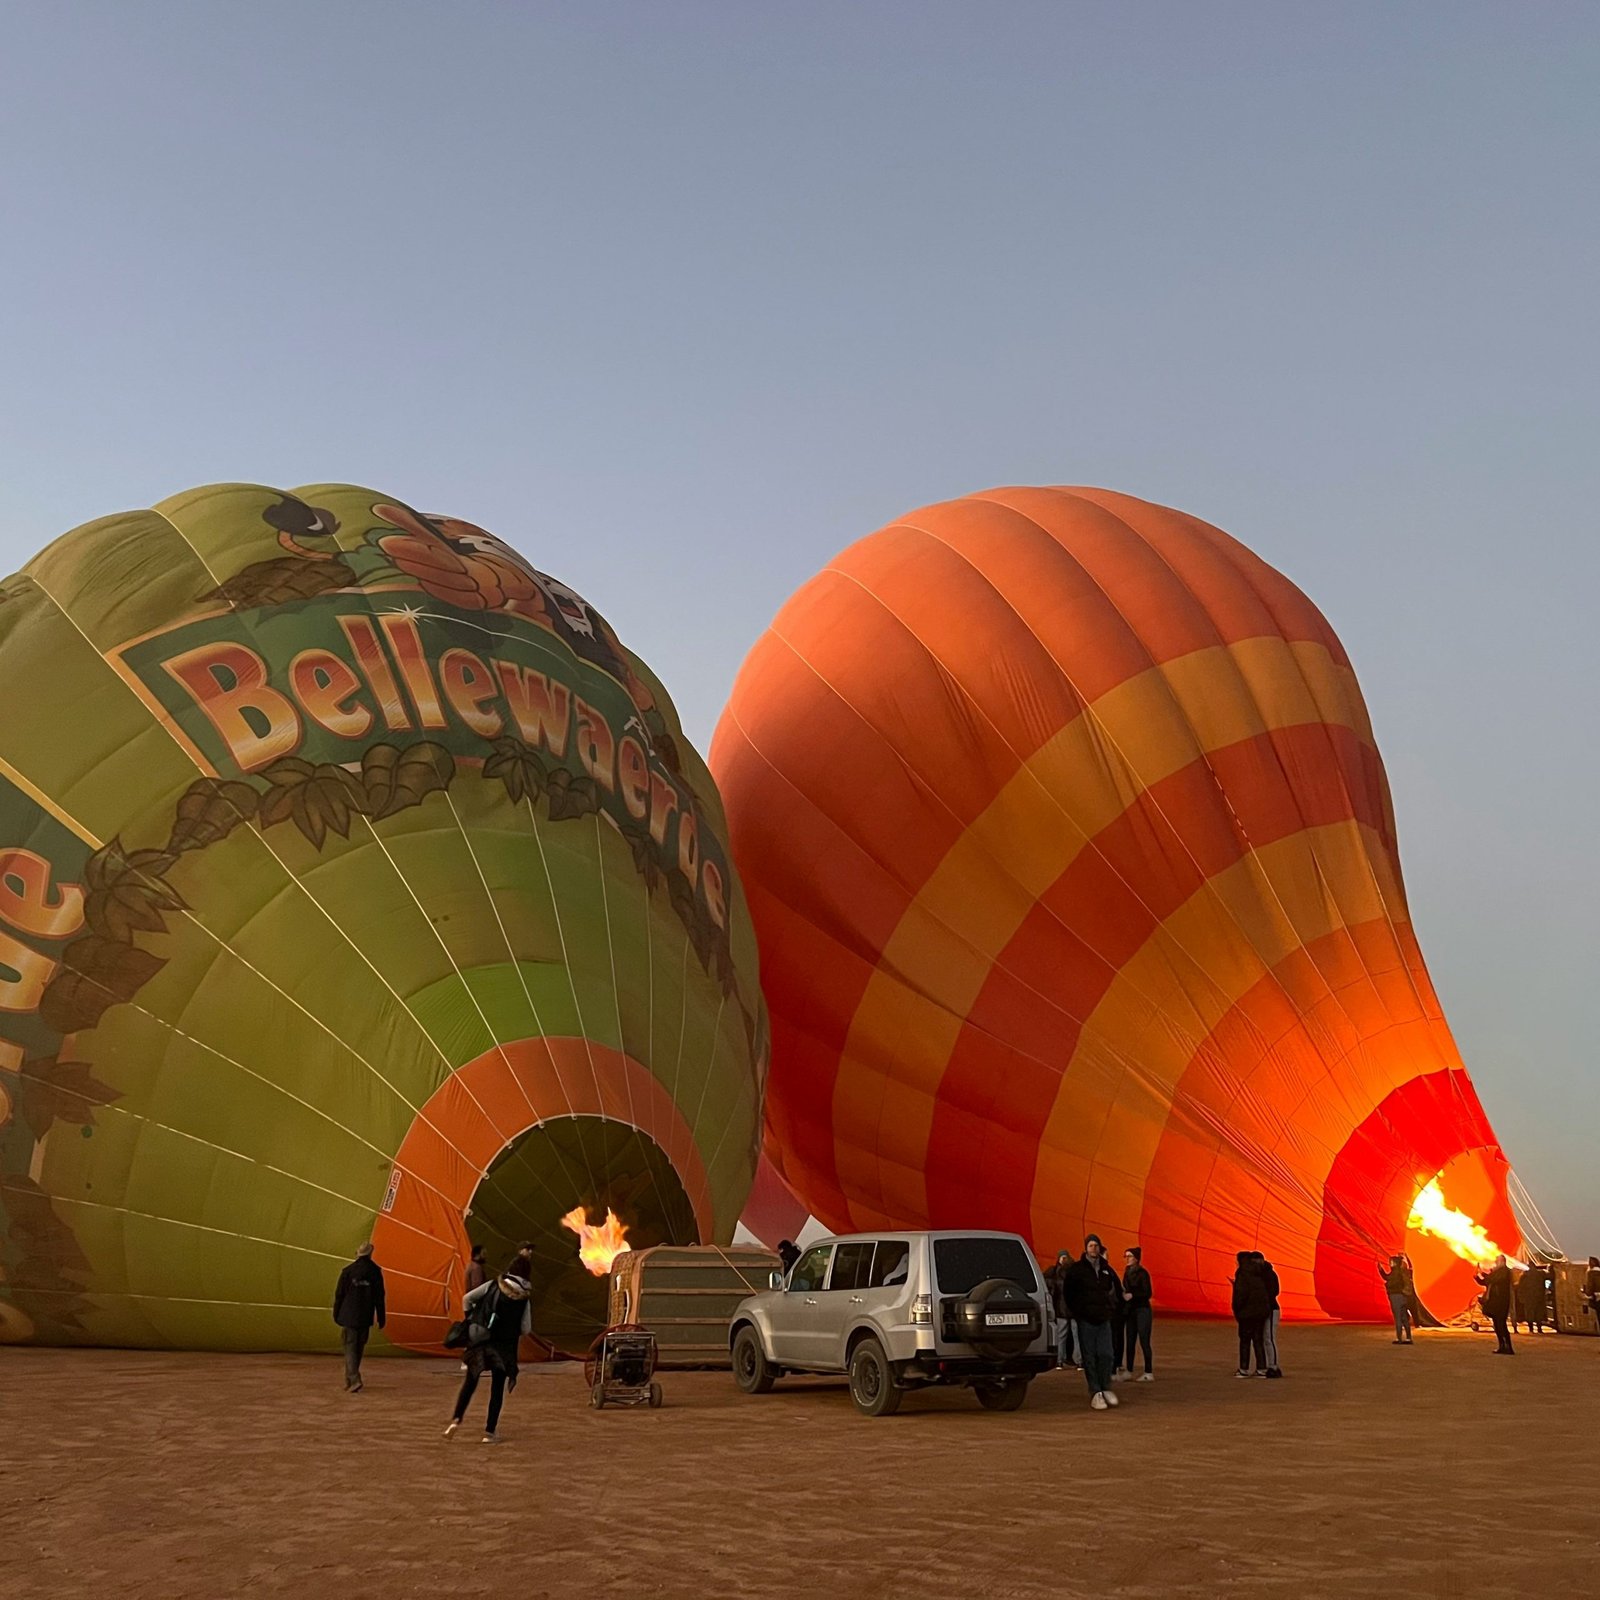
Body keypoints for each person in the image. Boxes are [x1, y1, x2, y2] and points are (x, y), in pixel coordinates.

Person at [445, 1271, 533, 1443]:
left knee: (470, 1383)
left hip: (481, 1343)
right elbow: (526, 1328)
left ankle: (456, 1419)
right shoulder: (523, 1300)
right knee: (497, 1390)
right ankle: (489, 1432)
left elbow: (466, 1299)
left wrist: (471, 1318)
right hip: (503, 1349)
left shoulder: (492, 1285)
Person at [1063, 1234, 1121, 1410]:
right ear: (1086, 1248)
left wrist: (1111, 1309)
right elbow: (1068, 1293)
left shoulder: (1106, 1269)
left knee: (1106, 1354)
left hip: (1103, 1318)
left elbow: (1116, 1289)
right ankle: (1095, 1391)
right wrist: (1078, 1312)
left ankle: (1106, 1387)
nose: (1094, 1249)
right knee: (1089, 1356)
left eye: (1096, 1246)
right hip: (1086, 1320)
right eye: (1091, 1246)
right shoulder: (1077, 1269)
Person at [332, 1241, 386, 1392]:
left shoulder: (348, 1271)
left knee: (350, 1349)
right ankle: (350, 1380)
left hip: (348, 1316)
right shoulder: (375, 1272)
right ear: (370, 1253)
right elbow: (379, 1297)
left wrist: (336, 1313)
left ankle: (354, 1379)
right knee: (358, 1349)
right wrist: (381, 1317)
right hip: (365, 1316)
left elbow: (339, 1295)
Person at [1231, 1251, 1270, 1377]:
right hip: (1260, 1313)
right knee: (1258, 1340)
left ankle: (1244, 1369)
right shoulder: (1260, 1273)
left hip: (1246, 1314)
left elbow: (1240, 1296)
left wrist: (1237, 1310)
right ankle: (1262, 1369)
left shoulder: (1243, 1275)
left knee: (1245, 1341)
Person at [1121, 1247, 1154, 1381]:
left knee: (1144, 1341)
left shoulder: (1143, 1273)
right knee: (1130, 1341)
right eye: (1126, 1256)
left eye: (1129, 1256)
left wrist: (1132, 1295)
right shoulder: (1127, 1272)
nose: (1127, 1259)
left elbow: (1148, 1293)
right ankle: (1129, 1370)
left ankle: (1148, 1372)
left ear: (1136, 1258)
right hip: (1131, 1311)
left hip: (1142, 1310)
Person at [1475, 1254, 1515, 1354]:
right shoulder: (1499, 1272)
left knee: (1501, 1325)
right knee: (1497, 1325)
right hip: (1496, 1302)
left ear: (1502, 1262)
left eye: (1497, 1261)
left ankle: (1508, 1347)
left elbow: (1492, 1279)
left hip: (1501, 1303)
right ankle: (1502, 1346)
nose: (1495, 1262)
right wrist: (1478, 1277)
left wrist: (1483, 1276)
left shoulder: (1505, 1271)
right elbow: (1488, 1281)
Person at [1253, 1252, 1284, 1378]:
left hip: (1271, 1309)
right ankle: (1266, 1366)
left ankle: (1273, 1366)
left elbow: (1274, 1291)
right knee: (1264, 1338)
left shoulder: (1268, 1274)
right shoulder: (1259, 1275)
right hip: (1263, 1309)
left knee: (1268, 1338)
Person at [1045, 1250, 1075, 1369]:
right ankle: (1069, 1359)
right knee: (1070, 1335)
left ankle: (1062, 1359)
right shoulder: (1054, 1272)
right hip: (1067, 1309)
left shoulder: (1057, 1275)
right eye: (1062, 1257)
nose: (1063, 1260)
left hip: (1063, 1309)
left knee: (1065, 1335)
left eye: (1065, 1257)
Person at [1379, 1254, 1414, 1345]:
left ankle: (1399, 1338)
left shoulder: (1396, 1274)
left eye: (1391, 1262)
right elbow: (1387, 1277)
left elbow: (1389, 1281)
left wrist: (1387, 1285)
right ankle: (1408, 1338)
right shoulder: (1400, 1272)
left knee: (1398, 1317)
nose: (1390, 1263)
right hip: (1403, 1297)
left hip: (1396, 1297)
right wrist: (1381, 1270)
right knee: (1404, 1318)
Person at [1515, 1263, 1547, 1335]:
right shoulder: (1540, 1274)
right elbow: (1549, 1276)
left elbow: (1520, 1287)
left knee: (1530, 1314)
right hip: (1539, 1297)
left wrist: (1521, 1297)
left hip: (1528, 1298)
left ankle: (1531, 1329)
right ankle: (1539, 1329)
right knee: (1539, 1313)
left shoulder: (1524, 1276)